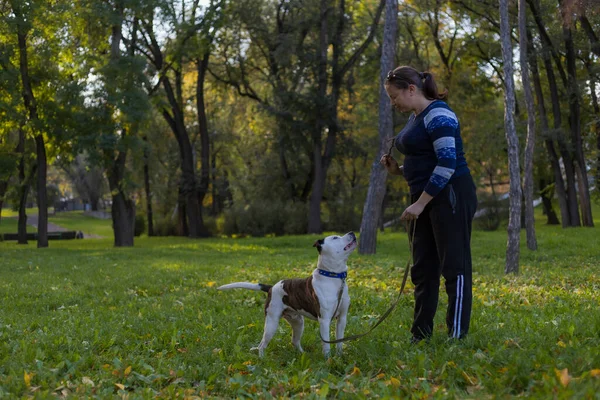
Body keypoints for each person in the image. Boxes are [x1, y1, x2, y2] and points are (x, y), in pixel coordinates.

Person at [380, 65, 478, 343]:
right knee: (423, 268)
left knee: (454, 267)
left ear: (411, 89)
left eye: (394, 96)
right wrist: (397, 170)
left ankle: (457, 337)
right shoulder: (417, 116)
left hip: (450, 195)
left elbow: (447, 163)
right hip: (424, 198)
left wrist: (420, 204)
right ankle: (420, 335)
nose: (393, 103)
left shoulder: (440, 114)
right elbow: (425, 159)